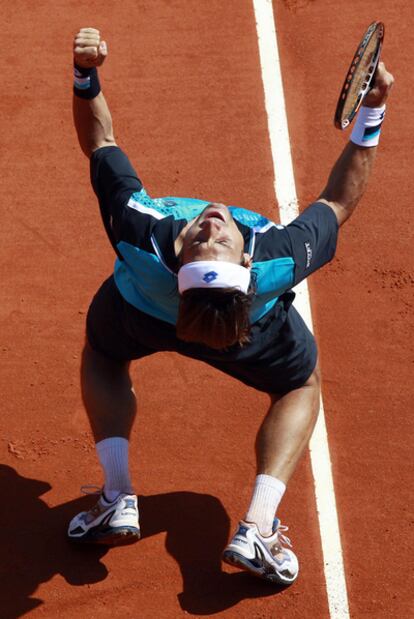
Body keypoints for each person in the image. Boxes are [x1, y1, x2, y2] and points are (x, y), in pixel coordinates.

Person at [67, 27, 394, 585]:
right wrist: (373, 112)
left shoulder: (140, 229)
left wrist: (84, 75)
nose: (212, 225)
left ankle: (117, 497)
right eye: (211, 240)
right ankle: (259, 527)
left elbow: (100, 142)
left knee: (102, 355)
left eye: (205, 238)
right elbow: (338, 200)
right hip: (251, 335)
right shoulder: (279, 258)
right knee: (300, 385)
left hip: (136, 314)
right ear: (248, 270)